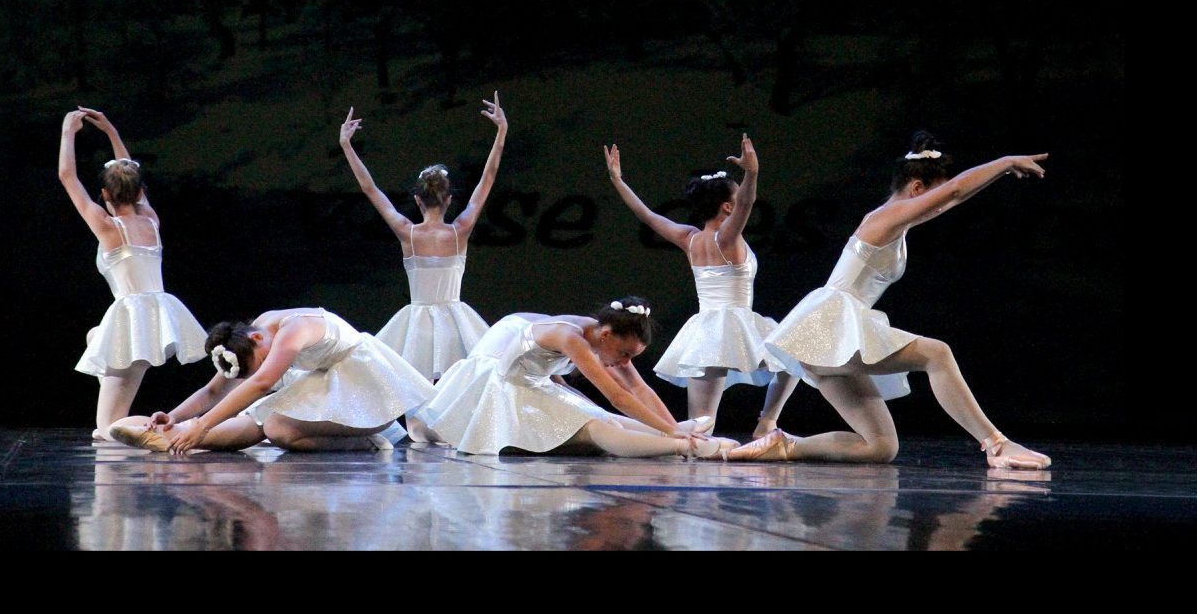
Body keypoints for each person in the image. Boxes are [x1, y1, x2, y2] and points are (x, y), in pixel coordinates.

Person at [728, 132, 1052, 469]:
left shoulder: (896, 220)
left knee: (880, 446)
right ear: (915, 190)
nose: (937, 206)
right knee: (937, 354)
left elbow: (954, 197)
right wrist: (1005, 161)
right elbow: (953, 191)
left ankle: (785, 446)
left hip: (828, 337)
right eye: (932, 196)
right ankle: (996, 445)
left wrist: (998, 174)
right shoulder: (885, 218)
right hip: (830, 327)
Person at [604, 134, 798, 438]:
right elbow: (747, 201)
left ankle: (742, 431)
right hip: (735, 324)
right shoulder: (726, 238)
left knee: (702, 423)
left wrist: (619, 181)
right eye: (735, 201)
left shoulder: (689, 238)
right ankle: (767, 422)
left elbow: (647, 214)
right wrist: (752, 172)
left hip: (706, 332)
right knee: (793, 356)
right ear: (727, 208)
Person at [412, 297, 736, 458]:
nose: (625, 363)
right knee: (594, 427)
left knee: (601, 416)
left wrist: (674, 425)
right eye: (625, 355)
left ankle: (682, 439)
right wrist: (677, 436)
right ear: (607, 336)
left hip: (533, 378)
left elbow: (638, 386)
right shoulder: (572, 338)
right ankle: (681, 447)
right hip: (504, 383)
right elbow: (618, 395)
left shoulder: (602, 337)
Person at [58, 107, 206, 441]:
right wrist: (111, 130)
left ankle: (178, 432)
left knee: (106, 430)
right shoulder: (150, 221)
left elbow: (68, 177)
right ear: (140, 194)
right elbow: (130, 174)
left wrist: (68, 131)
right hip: (153, 317)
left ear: (105, 195)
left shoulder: (108, 228)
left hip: (132, 322)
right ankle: (166, 424)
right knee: (95, 337)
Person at [338, 94, 507, 381]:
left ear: (418, 201)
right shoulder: (459, 230)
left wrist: (346, 146)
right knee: (457, 384)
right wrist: (501, 131)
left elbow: (370, 189)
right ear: (449, 200)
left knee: (415, 385)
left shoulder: (408, 232)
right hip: (456, 323)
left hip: (417, 326)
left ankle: (416, 428)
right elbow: (487, 179)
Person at [108, 307, 434, 454]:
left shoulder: (295, 329)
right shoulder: (258, 332)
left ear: (256, 338)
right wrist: (177, 416)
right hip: (323, 381)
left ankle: (369, 443)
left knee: (276, 426)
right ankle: (171, 436)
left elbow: (261, 383)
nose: (264, 365)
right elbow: (214, 388)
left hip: (365, 390)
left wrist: (203, 424)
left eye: (259, 361)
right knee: (262, 419)